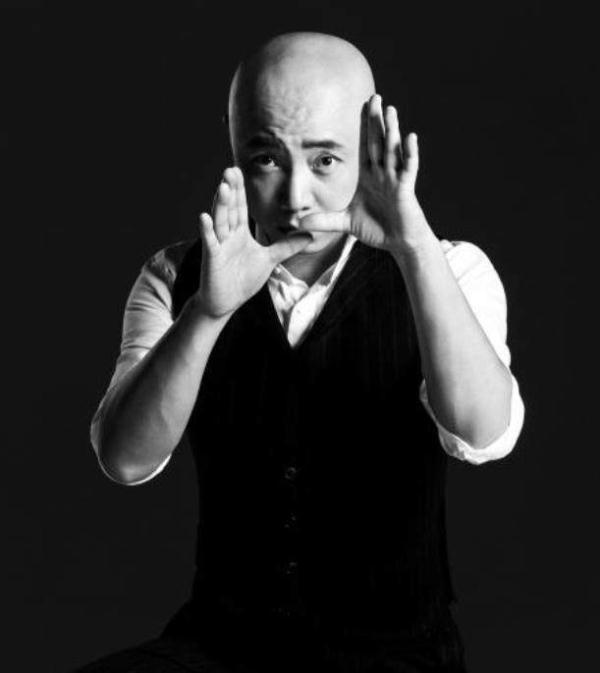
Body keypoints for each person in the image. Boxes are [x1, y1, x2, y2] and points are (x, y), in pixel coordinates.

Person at [80, 31, 525, 673]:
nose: (294, 197)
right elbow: (124, 459)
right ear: (235, 146)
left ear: (369, 146)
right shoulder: (175, 277)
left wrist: (414, 249)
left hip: (394, 654)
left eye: (324, 160)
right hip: (222, 647)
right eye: (266, 158)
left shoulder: (451, 268)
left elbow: (483, 433)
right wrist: (208, 313)